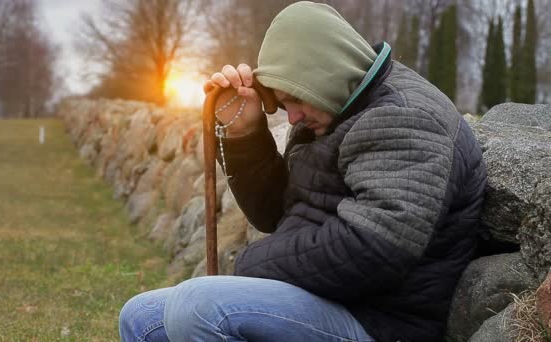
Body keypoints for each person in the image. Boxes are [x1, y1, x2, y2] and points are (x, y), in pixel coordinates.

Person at [119, 2, 487, 341]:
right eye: (283, 104)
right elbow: (272, 214)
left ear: (324, 70)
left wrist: (247, 264)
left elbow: (373, 250)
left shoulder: (406, 117)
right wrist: (244, 133)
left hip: (377, 321)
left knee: (199, 304)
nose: (291, 117)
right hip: (322, 297)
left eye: (293, 100)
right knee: (141, 316)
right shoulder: (335, 102)